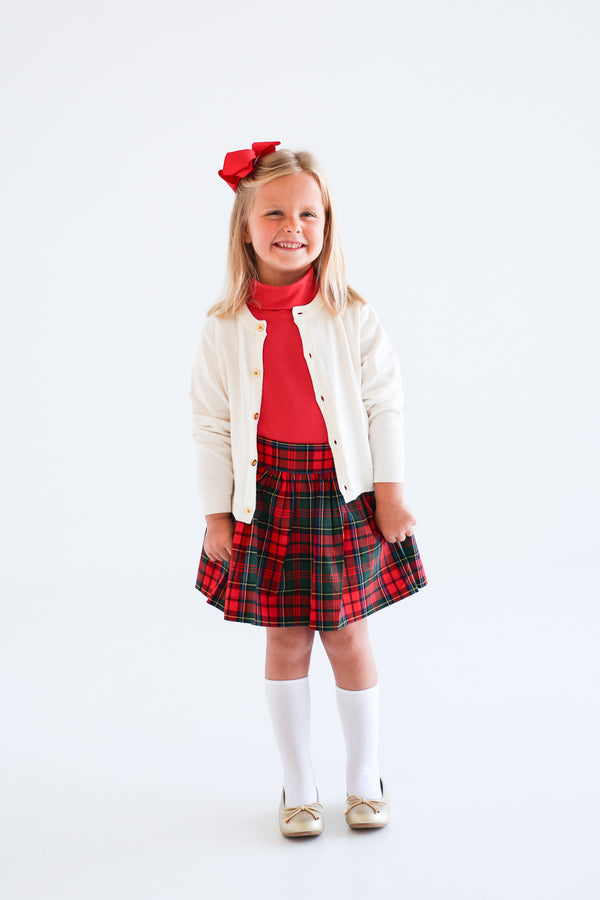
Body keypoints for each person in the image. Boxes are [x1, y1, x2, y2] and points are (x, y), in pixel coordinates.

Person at [189, 141, 427, 838]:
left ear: (327, 225)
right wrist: (217, 513)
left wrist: (390, 491)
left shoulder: (351, 313)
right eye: (274, 213)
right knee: (287, 639)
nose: (292, 226)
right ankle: (298, 786)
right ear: (245, 227)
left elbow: (384, 404)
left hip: (341, 493)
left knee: (347, 635)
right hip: (267, 499)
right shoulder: (224, 326)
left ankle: (364, 778)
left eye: (308, 214)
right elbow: (210, 422)